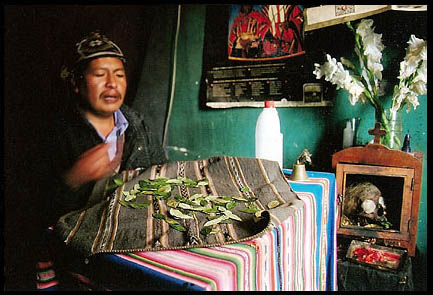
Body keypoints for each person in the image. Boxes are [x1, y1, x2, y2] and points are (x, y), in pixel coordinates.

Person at [34, 31, 167, 290]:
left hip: (133, 246)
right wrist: (74, 178)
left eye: (119, 74)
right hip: (80, 260)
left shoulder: (137, 126)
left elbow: (160, 174)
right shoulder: (55, 133)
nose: (112, 84)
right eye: (99, 74)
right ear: (76, 83)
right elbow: (31, 212)